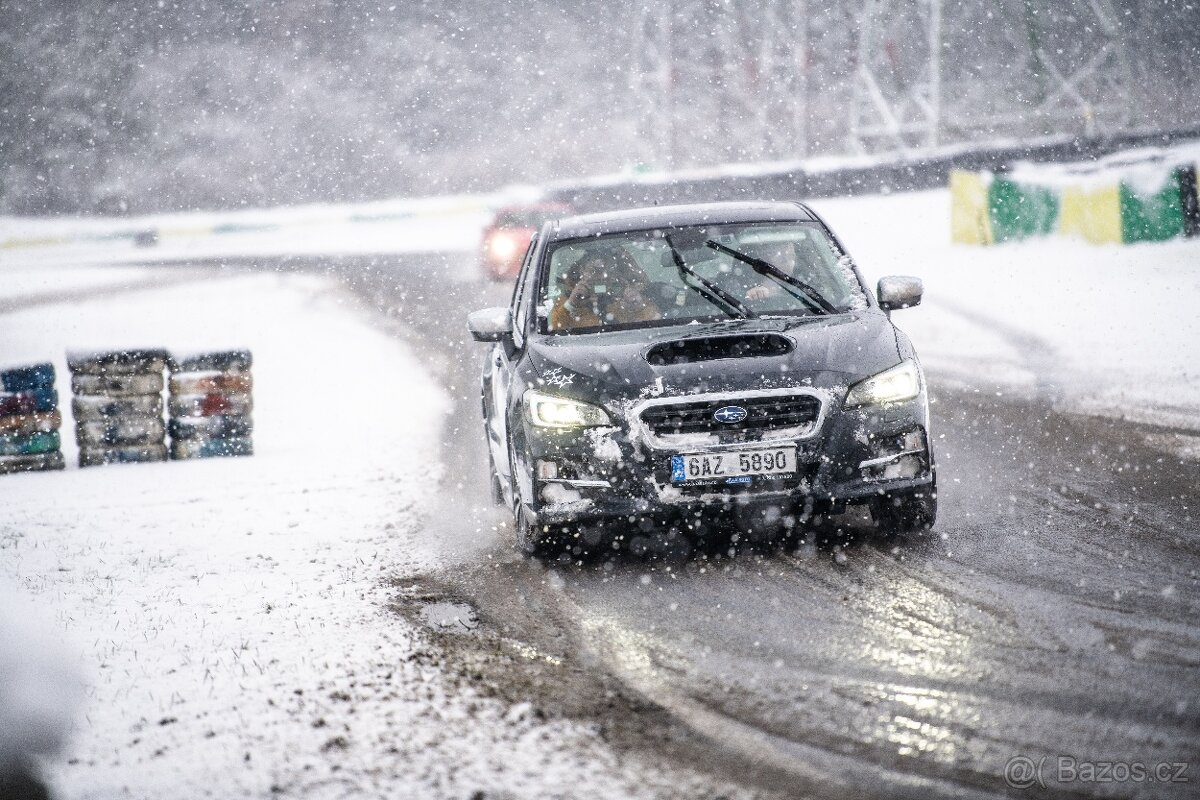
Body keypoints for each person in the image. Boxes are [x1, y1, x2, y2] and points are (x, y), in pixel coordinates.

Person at [550, 247, 659, 331]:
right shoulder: (567, 300)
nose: (602, 276)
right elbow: (553, 333)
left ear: (616, 273)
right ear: (581, 270)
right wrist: (571, 305)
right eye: (594, 270)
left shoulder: (629, 296)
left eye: (608, 270)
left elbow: (655, 326)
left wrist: (637, 306)